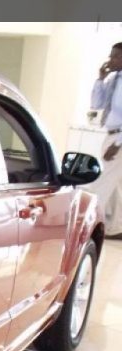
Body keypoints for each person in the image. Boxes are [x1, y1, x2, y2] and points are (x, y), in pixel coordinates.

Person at [90, 42, 122, 237]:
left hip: (118, 138)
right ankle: (116, 227)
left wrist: (118, 144)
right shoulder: (114, 79)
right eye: (111, 56)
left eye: (116, 57)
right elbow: (97, 104)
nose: (110, 60)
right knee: (115, 184)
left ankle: (90, 222)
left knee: (103, 182)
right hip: (111, 135)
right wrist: (100, 80)